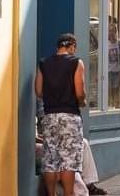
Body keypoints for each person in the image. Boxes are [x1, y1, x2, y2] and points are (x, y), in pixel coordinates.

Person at [35, 33, 86, 196]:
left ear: (58, 46)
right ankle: (68, 193)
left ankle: (51, 194)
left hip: (49, 116)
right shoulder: (76, 63)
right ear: (71, 46)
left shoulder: (43, 63)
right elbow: (79, 92)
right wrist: (82, 101)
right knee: (68, 160)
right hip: (70, 116)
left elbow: (38, 91)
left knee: (51, 158)